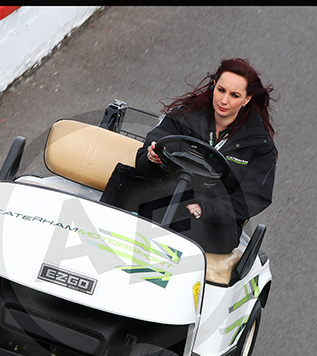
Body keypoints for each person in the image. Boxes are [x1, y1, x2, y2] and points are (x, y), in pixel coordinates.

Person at [114, 58, 277, 254]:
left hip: (213, 221)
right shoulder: (185, 115)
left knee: (177, 230)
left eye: (234, 95)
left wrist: (207, 208)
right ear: (214, 86)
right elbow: (147, 153)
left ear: (247, 99)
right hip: (166, 196)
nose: (224, 101)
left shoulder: (259, 144)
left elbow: (253, 196)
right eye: (221, 90)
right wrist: (150, 159)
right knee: (131, 210)